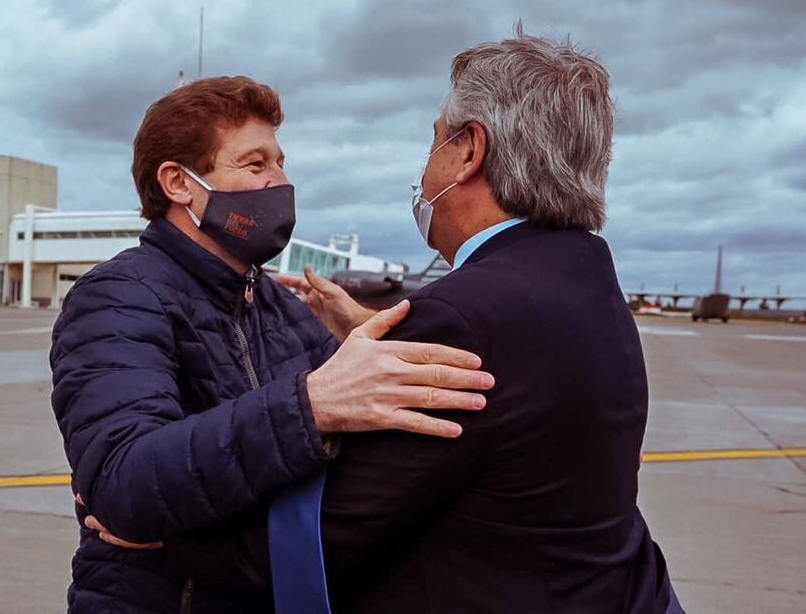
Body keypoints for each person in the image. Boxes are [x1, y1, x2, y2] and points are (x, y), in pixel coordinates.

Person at [103, 30, 684, 613]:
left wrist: (171, 540)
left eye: (436, 140)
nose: (279, 182)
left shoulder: (460, 317)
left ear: (469, 152)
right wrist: (369, 333)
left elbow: (329, 539)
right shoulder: (585, 278)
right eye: (256, 164)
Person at [49, 76, 496, 613]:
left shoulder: (281, 307)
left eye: (280, 163)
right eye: (255, 164)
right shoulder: (119, 296)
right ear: (179, 183)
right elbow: (124, 483)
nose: (280, 182)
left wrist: (362, 336)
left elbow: (359, 445)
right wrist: (309, 407)